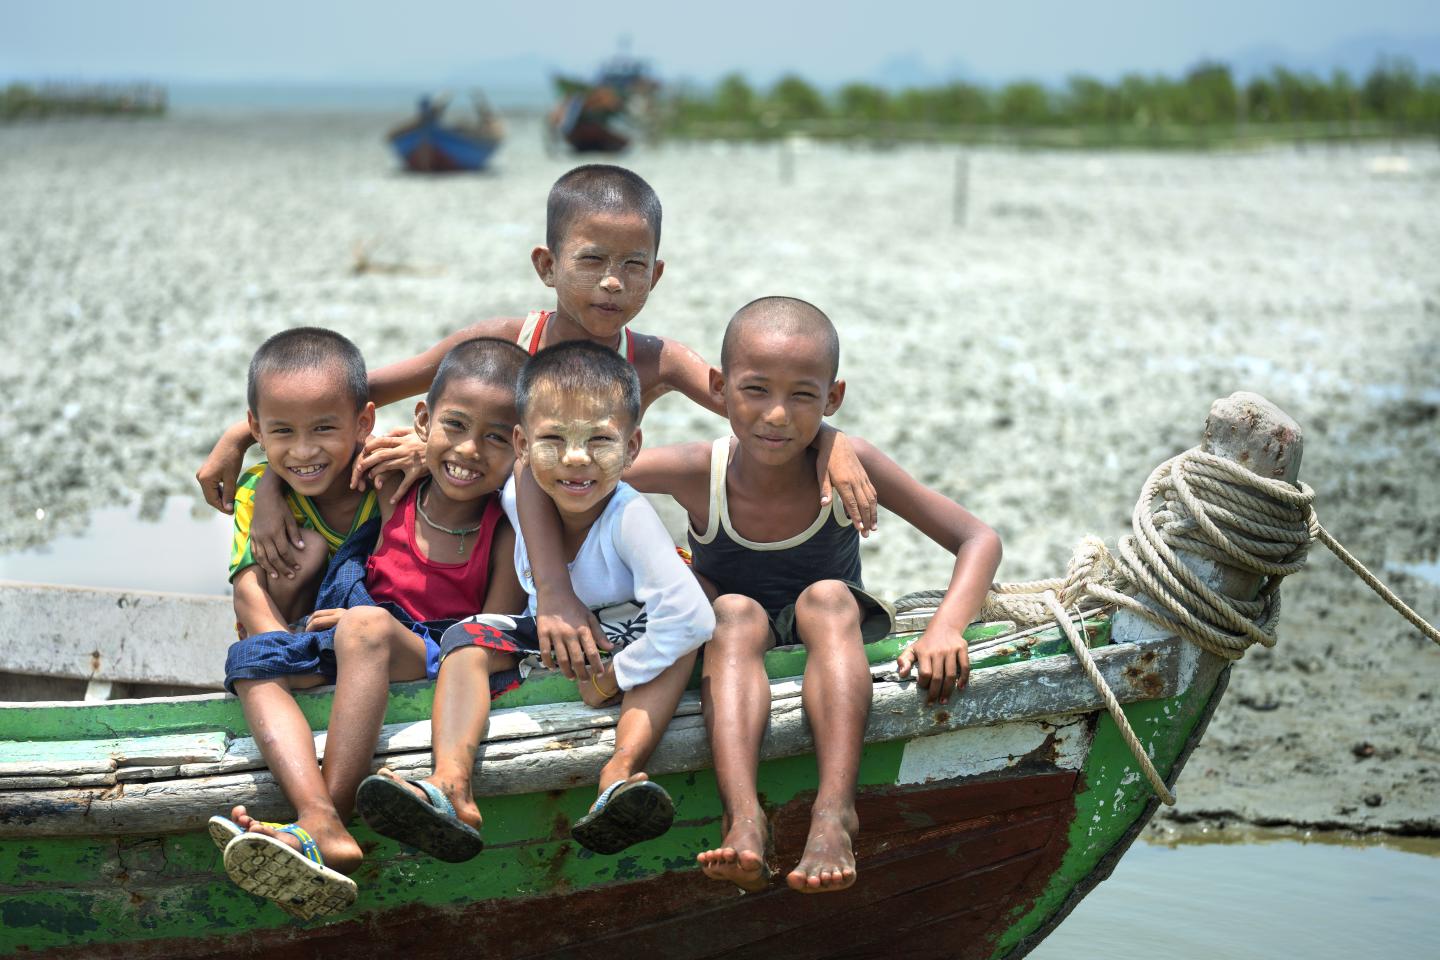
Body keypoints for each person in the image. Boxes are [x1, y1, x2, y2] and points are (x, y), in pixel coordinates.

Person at [194, 165, 878, 682]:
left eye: (631, 267)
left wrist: (835, 443)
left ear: (655, 277)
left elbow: (762, 409)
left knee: (688, 591)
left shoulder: (657, 360)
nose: (612, 283)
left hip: (586, 550)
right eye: (592, 262)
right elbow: (341, 399)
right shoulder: (504, 341)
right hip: (493, 542)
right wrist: (244, 445)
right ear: (548, 266)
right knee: (360, 490)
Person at [619, 297, 1003, 894]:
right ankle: (743, 818)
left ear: (833, 398)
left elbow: (977, 538)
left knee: (825, 595)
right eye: (755, 390)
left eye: (802, 395)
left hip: (831, 629)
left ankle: (834, 814)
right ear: (718, 389)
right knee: (731, 612)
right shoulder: (698, 470)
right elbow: (578, 474)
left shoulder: (853, 462)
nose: (776, 415)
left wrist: (946, 628)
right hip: (734, 636)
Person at [213, 334, 529, 918]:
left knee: (363, 627)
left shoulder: (504, 525)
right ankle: (318, 814)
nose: (468, 451)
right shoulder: (391, 481)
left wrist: (368, 620)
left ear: (522, 444)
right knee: (252, 666)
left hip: (435, 649)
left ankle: (317, 825)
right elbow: (311, 457)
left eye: (495, 438)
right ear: (423, 423)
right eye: (454, 429)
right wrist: (268, 479)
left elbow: (495, 631)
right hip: (357, 631)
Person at [359, 341, 714, 860]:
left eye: (600, 441)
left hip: (630, 631)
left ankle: (620, 772)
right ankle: (451, 784)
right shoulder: (516, 492)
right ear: (523, 445)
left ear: (632, 448)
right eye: (553, 439)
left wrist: (614, 676)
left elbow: (691, 618)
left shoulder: (627, 516)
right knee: (465, 638)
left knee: (672, 650)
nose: (575, 458)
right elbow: (456, 454)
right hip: (554, 635)